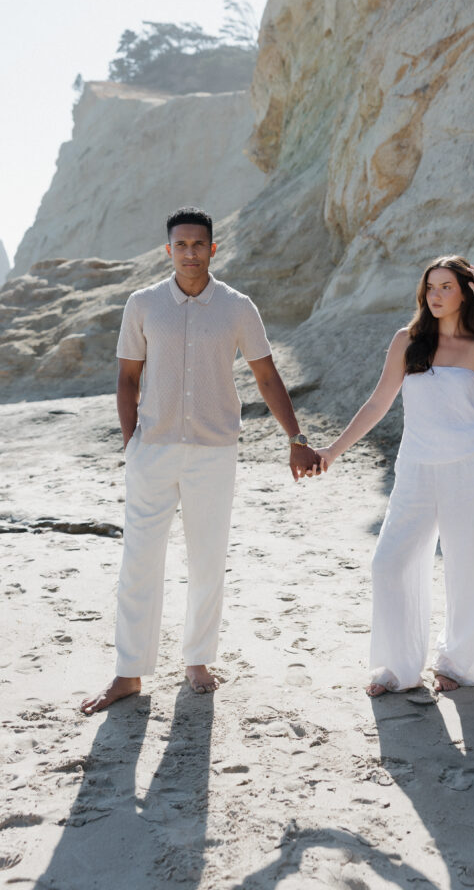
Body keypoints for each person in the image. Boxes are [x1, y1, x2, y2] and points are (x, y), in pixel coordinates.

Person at [81, 208, 321, 714]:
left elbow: (267, 376)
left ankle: (197, 660)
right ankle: (129, 673)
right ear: (168, 251)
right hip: (153, 451)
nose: (190, 252)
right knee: (139, 562)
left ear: (214, 249)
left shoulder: (237, 307)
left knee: (207, 560)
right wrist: (133, 444)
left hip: (214, 452)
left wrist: (296, 436)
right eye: (181, 244)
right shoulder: (143, 304)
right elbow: (127, 379)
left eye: (199, 244)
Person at [318, 255, 474, 697]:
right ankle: (397, 668)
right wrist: (333, 450)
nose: (436, 295)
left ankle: (462, 665)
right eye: (430, 287)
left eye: (447, 286)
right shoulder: (408, 341)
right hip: (417, 467)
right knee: (390, 563)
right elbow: (377, 403)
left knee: (470, 567)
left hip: (473, 466)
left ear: (465, 292)